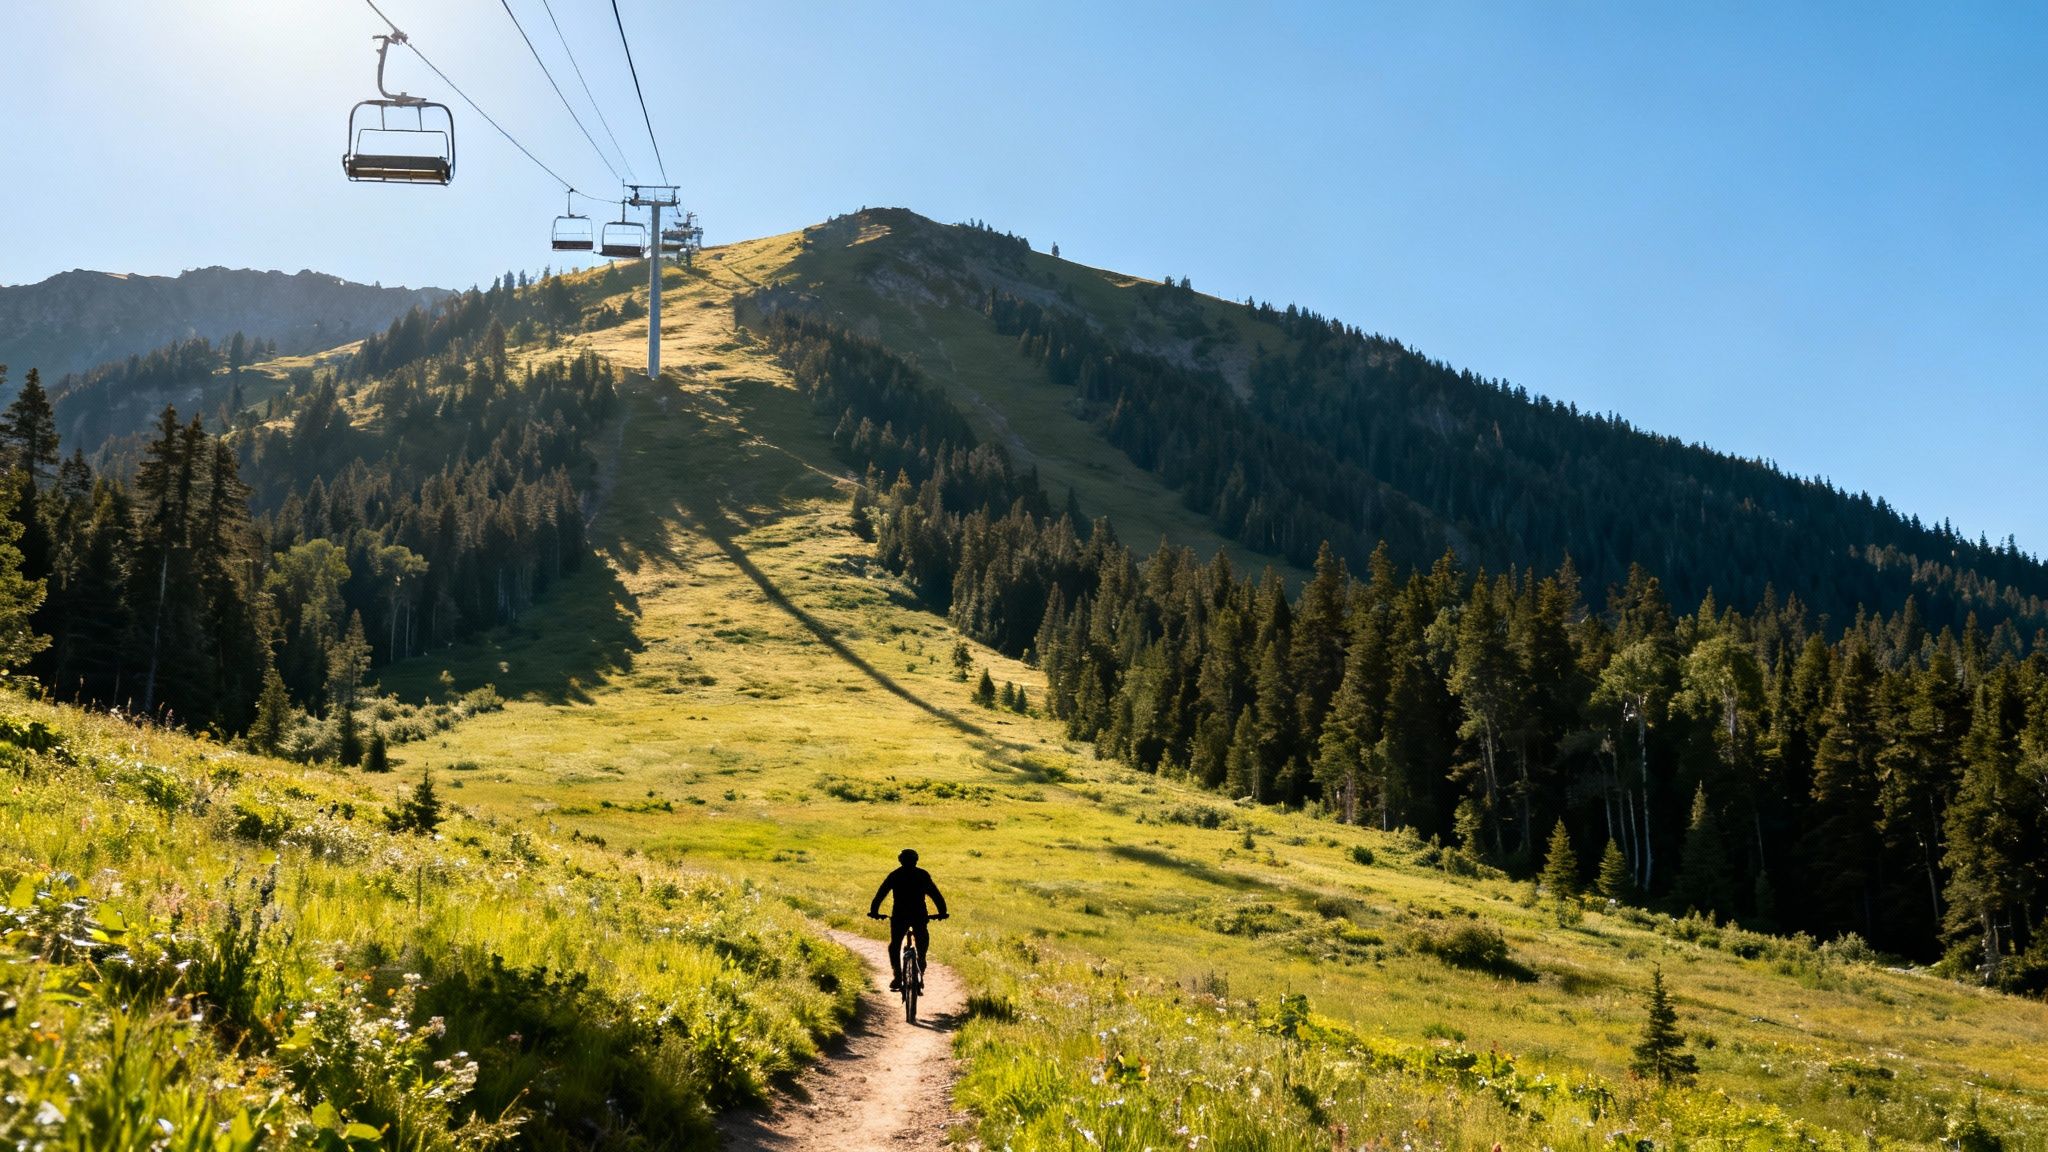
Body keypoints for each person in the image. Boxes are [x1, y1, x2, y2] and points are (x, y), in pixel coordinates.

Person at [868, 848, 948, 991]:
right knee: (922, 940)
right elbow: (936, 895)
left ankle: (898, 977)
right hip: (919, 915)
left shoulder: (895, 875)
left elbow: (880, 894)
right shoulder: (922, 875)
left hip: (900, 916)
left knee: (895, 945)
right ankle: (921, 965)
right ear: (916, 860)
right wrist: (942, 912)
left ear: (900, 861)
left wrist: (874, 912)